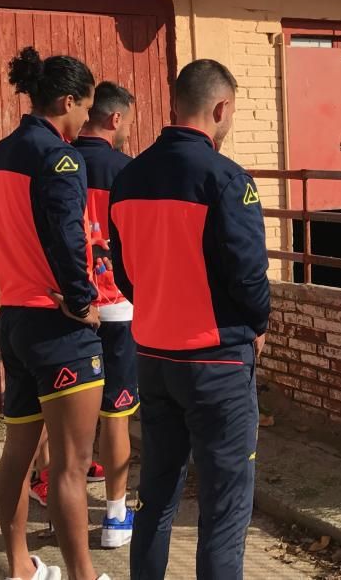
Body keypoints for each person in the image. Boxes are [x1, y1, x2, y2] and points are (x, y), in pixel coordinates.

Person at [108, 59, 270, 580]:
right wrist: (258, 324)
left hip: (153, 358)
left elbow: (126, 273)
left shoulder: (128, 177)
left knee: (156, 498)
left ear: (175, 104)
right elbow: (248, 277)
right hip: (217, 362)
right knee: (223, 511)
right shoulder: (226, 179)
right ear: (221, 109)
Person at [0, 47, 111, 580]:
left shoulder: (0, 152)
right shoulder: (60, 157)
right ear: (66, 100)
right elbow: (66, 236)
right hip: (58, 325)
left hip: (13, 317)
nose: (87, 119)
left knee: (18, 451)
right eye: (85, 107)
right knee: (72, 466)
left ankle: (20, 568)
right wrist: (83, 302)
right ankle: (83, 575)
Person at [73, 81, 139, 548]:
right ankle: (116, 517)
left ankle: (61, 506)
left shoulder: (58, 162)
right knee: (117, 414)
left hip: (70, 306)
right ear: (115, 120)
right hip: (118, 306)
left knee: (63, 415)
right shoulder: (128, 171)